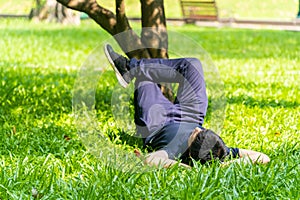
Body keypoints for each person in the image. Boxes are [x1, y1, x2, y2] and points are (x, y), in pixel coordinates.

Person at [104, 44, 270, 168]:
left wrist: (188, 169)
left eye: (197, 135)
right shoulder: (219, 150)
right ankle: (129, 68)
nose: (198, 130)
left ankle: (132, 70)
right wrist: (224, 165)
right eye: (202, 130)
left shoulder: (174, 149)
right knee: (192, 65)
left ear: (190, 152)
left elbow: (150, 160)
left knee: (145, 79)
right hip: (191, 115)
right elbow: (263, 157)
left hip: (157, 122)